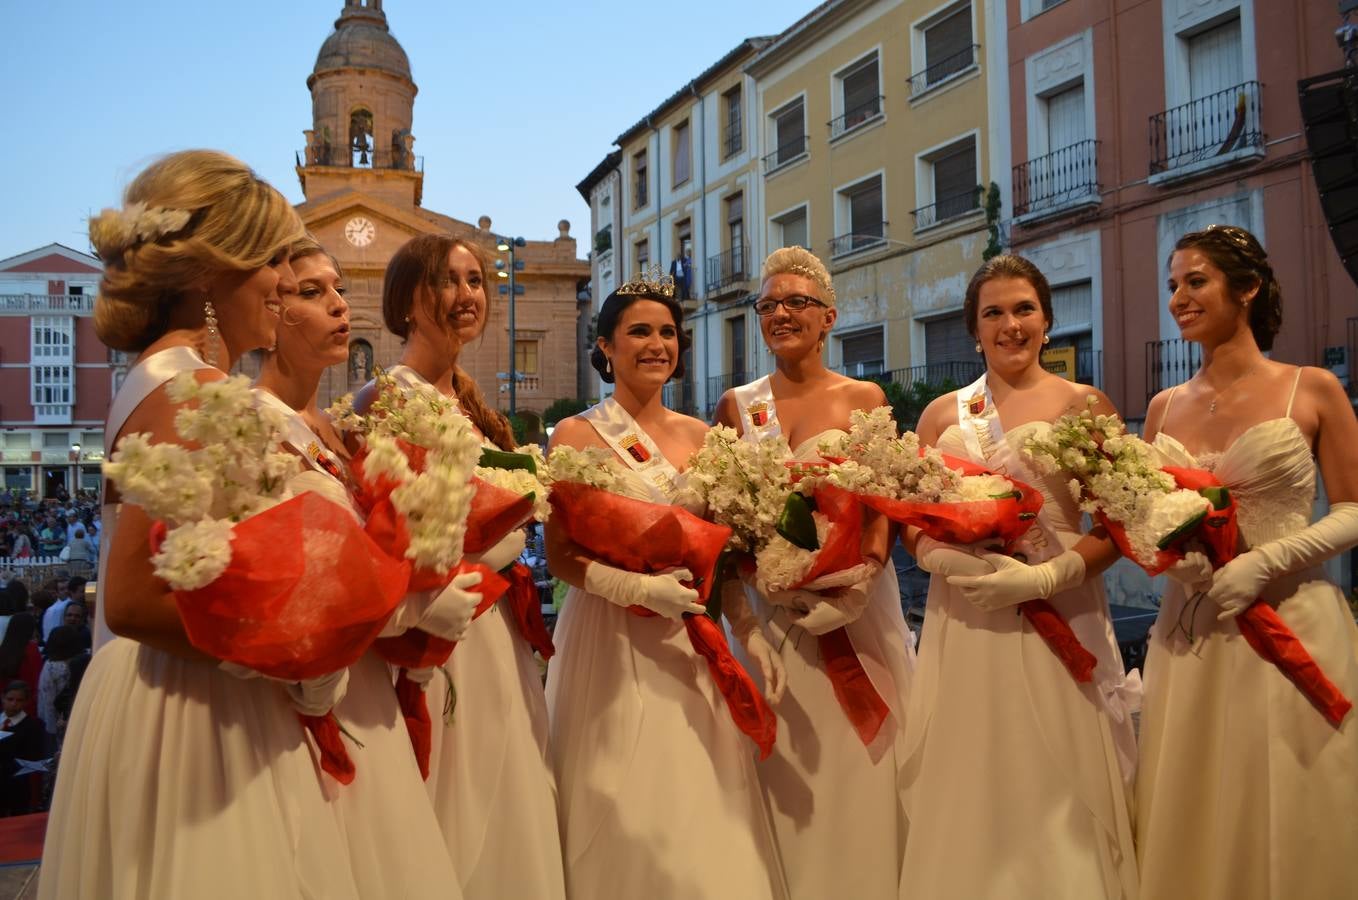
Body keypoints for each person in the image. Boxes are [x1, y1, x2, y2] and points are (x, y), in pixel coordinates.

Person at [39, 149, 362, 900]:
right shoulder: (187, 385)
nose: (285, 283)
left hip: (198, 692)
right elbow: (131, 599)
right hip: (195, 711)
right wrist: (292, 649)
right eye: (275, 262)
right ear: (217, 273)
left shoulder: (172, 375)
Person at [901, 254, 1139, 899]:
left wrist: (1049, 575)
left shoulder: (1085, 404)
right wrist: (944, 561)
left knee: (1058, 774)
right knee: (974, 771)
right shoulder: (941, 416)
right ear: (973, 328)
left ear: (1048, 319)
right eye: (994, 313)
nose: (1011, 325)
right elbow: (911, 523)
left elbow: (1121, 523)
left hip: (1063, 611)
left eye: (1024, 310)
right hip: (968, 616)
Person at [546, 273, 788, 899]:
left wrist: (752, 632)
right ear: (604, 346)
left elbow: (725, 557)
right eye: (639, 332)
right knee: (619, 795)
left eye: (667, 333)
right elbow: (561, 555)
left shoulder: (706, 439)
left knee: (697, 794)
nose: (657, 344)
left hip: (690, 642)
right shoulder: (576, 436)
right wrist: (631, 589)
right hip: (610, 639)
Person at [1137, 225, 1358, 900]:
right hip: (1193, 633)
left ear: (1249, 287)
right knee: (1197, 798)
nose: (1178, 298)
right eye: (1173, 285)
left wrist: (1269, 562)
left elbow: (1353, 510)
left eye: (1195, 281)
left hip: (1292, 620)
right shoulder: (1162, 407)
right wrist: (1173, 562)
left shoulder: (1311, 389)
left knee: (1294, 801)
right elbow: (1142, 517)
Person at [253, 235, 461, 900]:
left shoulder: (335, 431)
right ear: (266, 313)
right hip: (299, 699)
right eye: (312, 293)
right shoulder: (255, 423)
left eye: (339, 288)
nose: (341, 306)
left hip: (362, 686)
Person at [360, 233, 566, 900]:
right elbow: (378, 531)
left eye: (476, 279)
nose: (468, 294)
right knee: (456, 796)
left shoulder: (475, 406)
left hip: (494, 627)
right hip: (438, 628)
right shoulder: (385, 397)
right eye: (448, 280)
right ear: (408, 301)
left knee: (507, 790)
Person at [711, 247, 913, 900]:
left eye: (796, 301)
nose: (779, 313)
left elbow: (884, 507)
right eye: (767, 303)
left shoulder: (865, 397)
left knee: (859, 773)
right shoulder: (737, 406)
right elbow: (727, 522)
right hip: (771, 625)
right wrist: (750, 614)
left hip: (855, 615)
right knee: (778, 775)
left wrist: (863, 582)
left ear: (828, 317)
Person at [0, 681, 46, 816]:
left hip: (16, 785)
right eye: (10, 699)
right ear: (3, 698)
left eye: (19, 700)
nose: (14, 704)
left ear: (26, 702)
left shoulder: (33, 725)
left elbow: (32, 757)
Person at [0, 613, 42, 718]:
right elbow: (36, 678)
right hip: (25, 703)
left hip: (5, 703)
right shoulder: (31, 649)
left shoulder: (3, 649)